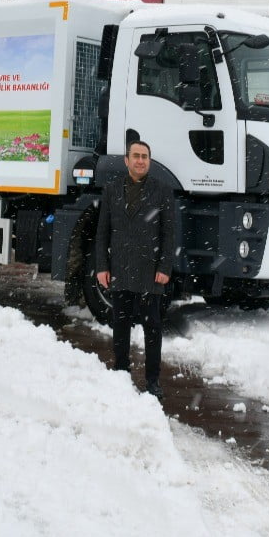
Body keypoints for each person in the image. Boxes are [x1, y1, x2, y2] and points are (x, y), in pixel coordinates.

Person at [93, 139, 178, 397]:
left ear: (149, 161)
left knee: (152, 327)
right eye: (136, 156)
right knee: (120, 325)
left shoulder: (162, 190)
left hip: (150, 271)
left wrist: (165, 266)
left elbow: (169, 233)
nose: (140, 160)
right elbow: (102, 232)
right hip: (120, 268)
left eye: (145, 156)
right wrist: (102, 266)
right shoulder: (111, 190)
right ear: (126, 160)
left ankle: (152, 381)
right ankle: (121, 372)